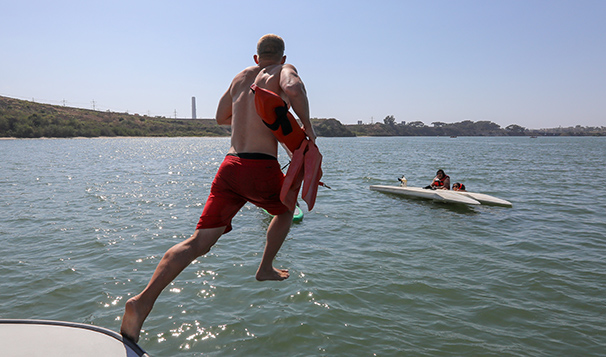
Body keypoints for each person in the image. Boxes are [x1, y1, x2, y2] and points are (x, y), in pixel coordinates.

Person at [120, 34, 316, 343]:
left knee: (198, 242)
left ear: (256, 58)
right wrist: (308, 130)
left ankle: (143, 300)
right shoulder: (283, 70)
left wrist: (248, 117)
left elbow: (220, 117)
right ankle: (265, 267)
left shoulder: (240, 77)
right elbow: (294, 88)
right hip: (260, 167)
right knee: (287, 210)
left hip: (230, 167)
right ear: (282, 56)